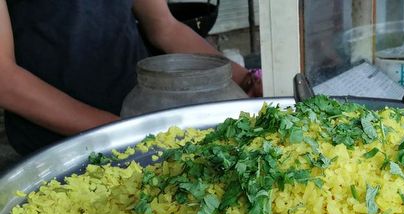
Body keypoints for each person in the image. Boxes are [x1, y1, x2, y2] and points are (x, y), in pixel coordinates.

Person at [0, 0, 262, 155]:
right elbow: (5, 80)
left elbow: (165, 28)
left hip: (139, 111)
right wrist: (124, 131)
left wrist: (244, 79)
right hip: (58, 146)